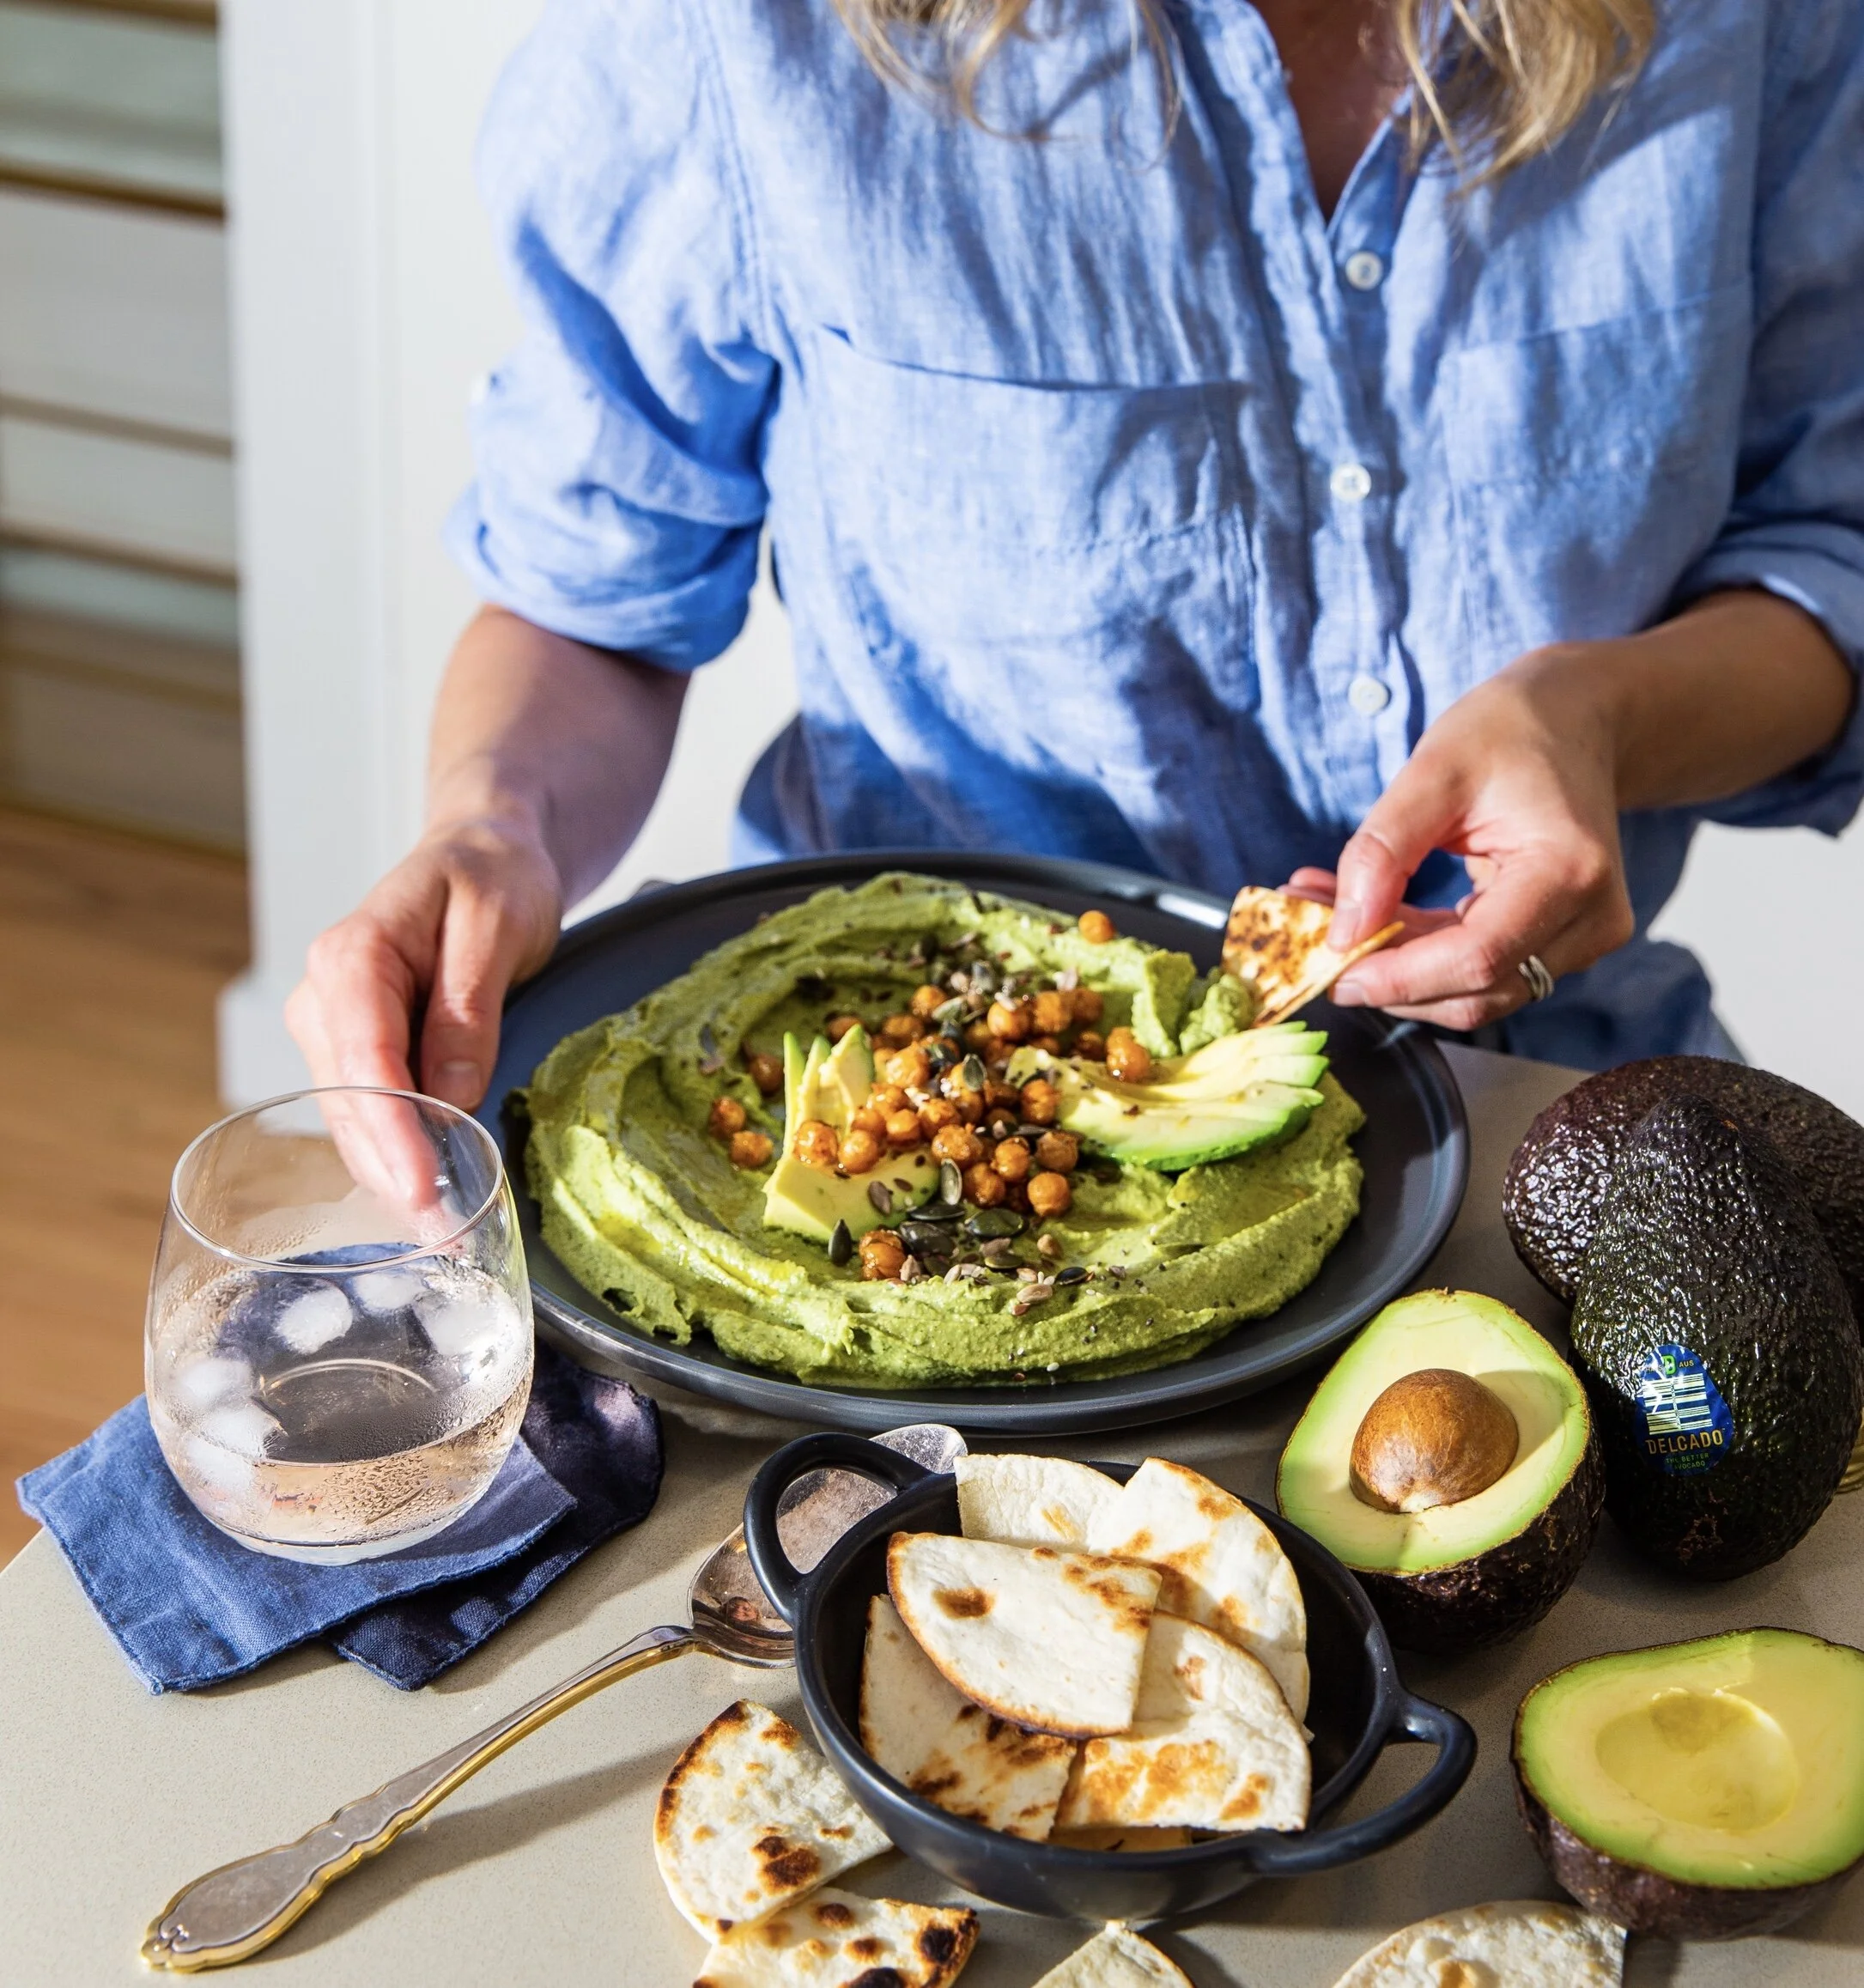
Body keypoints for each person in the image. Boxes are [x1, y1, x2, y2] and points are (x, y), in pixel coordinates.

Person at [288, 0, 1863, 1107]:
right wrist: (492, 830)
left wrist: (1595, 713)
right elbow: (597, 602)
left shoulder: (1754, 23)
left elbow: (1827, 550)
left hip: (1545, 1091)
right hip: (920, 1115)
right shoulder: (730, 34)